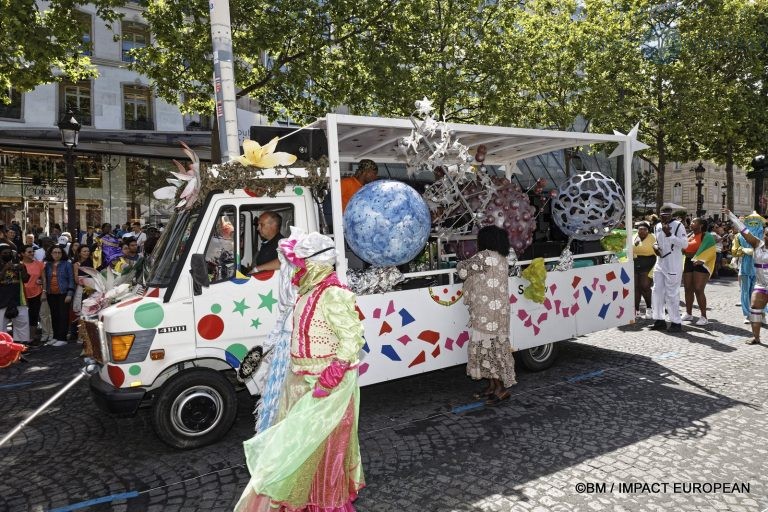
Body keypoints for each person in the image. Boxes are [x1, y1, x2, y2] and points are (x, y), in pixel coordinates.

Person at [235, 231, 365, 512]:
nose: (298, 269)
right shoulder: (307, 292)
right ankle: (302, 501)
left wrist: (331, 377)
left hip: (326, 390)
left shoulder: (334, 294)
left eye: (302, 263)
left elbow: (352, 340)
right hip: (299, 383)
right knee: (296, 451)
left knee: (322, 451)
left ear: (317, 264)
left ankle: (323, 503)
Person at [455, 225, 516, 405]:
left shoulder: (484, 256)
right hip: (499, 314)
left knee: (489, 350)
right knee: (494, 349)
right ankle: (492, 386)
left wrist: (460, 262)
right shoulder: (502, 258)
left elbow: (463, 271)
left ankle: (500, 390)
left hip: (486, 316)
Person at [724, 208, 768, 344]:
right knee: (754, 308)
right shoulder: (757, 244)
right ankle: (756, 337)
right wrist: (731, 216)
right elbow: (743, 230)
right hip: (761, 285)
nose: (766, 236)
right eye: (766, 234)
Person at [650, 204, 689, 332]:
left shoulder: (678, 225)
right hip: (660, 263)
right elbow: (657, 241)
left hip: (673, 264)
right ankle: (659, 320)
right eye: (662, 216)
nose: (664, 218)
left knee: (672, 294)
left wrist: (669, 235)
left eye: (667, 215)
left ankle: (676, 322)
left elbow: (685, 244)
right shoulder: (657, 226)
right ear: (659, 214)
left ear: (671, 215)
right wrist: (655, 246)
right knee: (657, 291)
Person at [680, 218, 717, 326]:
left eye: (693, 222)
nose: (691, 223)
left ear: (701, 225)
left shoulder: (707, 236)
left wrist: (702, 259)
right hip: (688, 261)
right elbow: (684, 248)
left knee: (698, 289)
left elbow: (711, 250)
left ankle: (704, 316)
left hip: (701, 263)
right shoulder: (689, 235)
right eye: (691, 222)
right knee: (688, 289)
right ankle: (688, 313)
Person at [732, 212, 765, 323]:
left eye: (756, 222)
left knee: (759, 292)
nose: (754, 224)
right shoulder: (739, 236)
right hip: (745, 268)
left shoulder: (764, 235)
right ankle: (747, 314)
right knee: (745, 292)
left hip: (760, 269)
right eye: (751, 221)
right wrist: (743, 250)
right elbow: (734, 251)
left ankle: (762, 314)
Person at [44, 245, 75, 346]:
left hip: (64, 293)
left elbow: (71, 280)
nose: (57, 255)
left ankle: (62, 338)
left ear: (62, 254)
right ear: (51, 254)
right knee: (54, 315)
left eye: (59, 253)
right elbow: (45, 279)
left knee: (63, 315)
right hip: (51, 293)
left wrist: (70, 293)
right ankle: (56, 336)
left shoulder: (67, 264)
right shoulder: (47, 265)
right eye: (55, 252)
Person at [0, 243, 30, 345]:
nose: (7, 254)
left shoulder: (18, 264)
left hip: (18, 298)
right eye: (4, 253)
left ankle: (22, 345)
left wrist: (22, 269)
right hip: (2, 300)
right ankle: (3, 347)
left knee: (22, 323)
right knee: (1, 326)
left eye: (9, 253)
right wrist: (5, 268)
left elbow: (26, 279)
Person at [21, 245, 45, 345]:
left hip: (36, 293)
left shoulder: (39, 264)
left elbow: (43, 279)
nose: (32, 254)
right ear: (22, 254)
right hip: (22, 294)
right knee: (22, 317)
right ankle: (22, 338)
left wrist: (44, 291)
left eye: (32, 252)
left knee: (34, 316)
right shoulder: (19, 265)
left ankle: (32, 337)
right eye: (29, 252)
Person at [633, 221, 656, 319]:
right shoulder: (633, 236)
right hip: (635, 263)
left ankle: (649, 309)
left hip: (649, 263)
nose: (641, 231)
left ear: (648, 230)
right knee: (636, 288)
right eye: (640, 229)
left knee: (645, 286)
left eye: (644, 230)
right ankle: (636, 310)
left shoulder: (653, 237)